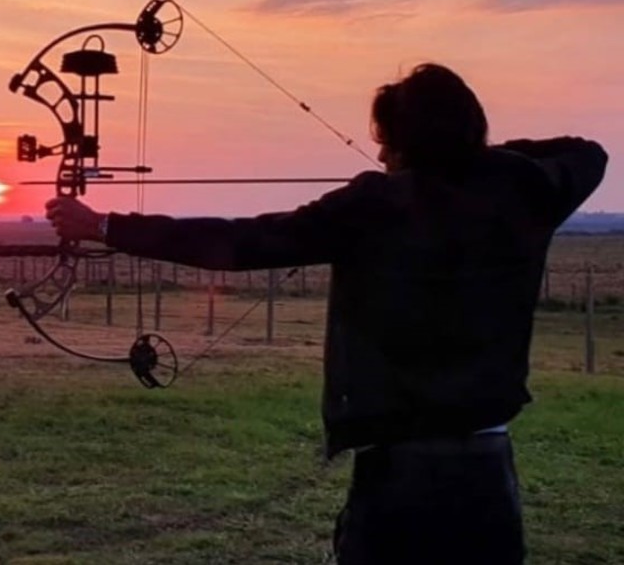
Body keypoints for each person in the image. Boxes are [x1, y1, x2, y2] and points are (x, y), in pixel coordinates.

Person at [44, 63, 608, 564]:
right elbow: (589, 152)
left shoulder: (376, 204)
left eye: (389, 143)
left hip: (400, 479)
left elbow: (243, 241)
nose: (381, 156)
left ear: (411, 141)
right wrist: (467, 157)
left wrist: (104, 226)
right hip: (489, 471)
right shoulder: (524, 189)